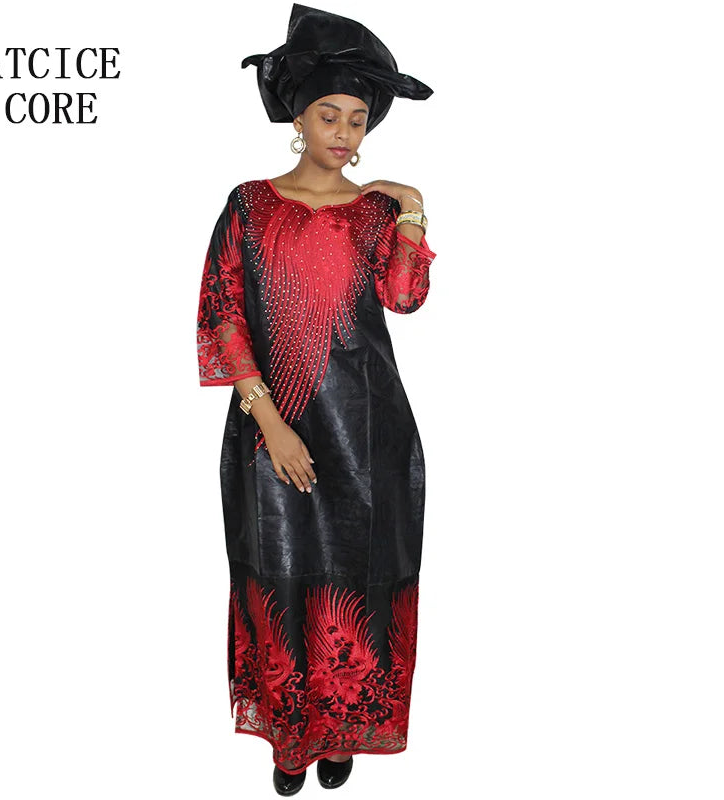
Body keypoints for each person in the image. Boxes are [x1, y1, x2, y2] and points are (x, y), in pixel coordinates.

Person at [196, 4, 436, 795]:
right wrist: (271, 423)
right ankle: (290, 736)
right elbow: (223, 314)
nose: (343, 131)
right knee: (279, 571)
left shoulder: (373, 212)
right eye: (329, 115)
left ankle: (342, 729)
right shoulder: (248, 204)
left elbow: (404, 298)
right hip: (272, 429)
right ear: (298, 118)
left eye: (357, 119)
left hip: (368, 432)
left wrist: (411, 209)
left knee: (360, 578)